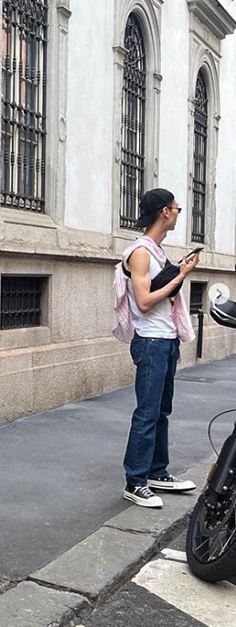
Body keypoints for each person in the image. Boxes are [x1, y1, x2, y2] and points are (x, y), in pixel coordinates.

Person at [116, 188, 198, 508]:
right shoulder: (140, 252)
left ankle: (157, 472)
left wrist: (176, 270)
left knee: (161, 412)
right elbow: (145, 301)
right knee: (147, 413)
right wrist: (181, 277)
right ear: (165, 212)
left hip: (165, 340)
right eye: (176, 208)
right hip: (150, 341)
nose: (178, 213)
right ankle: (135, 481)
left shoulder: (157, 251)